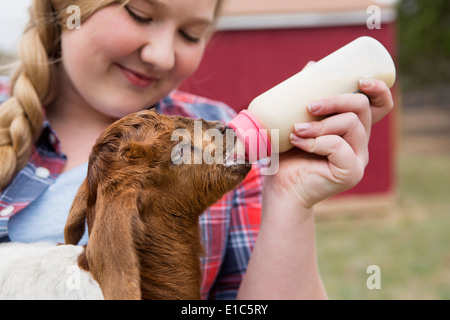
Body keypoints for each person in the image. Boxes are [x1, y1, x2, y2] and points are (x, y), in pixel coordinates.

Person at [0, 0, 394, 299]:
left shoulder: (222, 144)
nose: (161, 55)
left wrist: (291, 198)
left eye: (191, 35)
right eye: (139, 13)